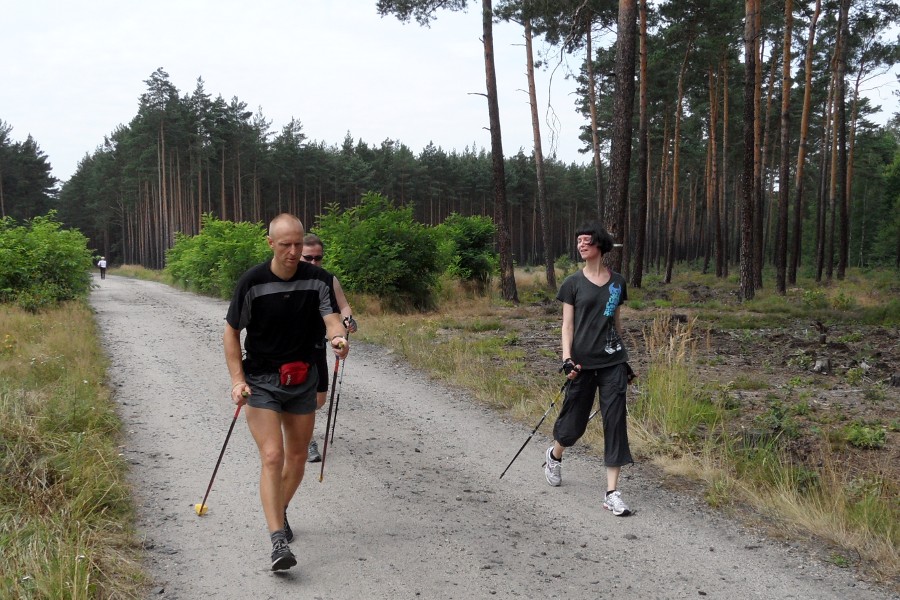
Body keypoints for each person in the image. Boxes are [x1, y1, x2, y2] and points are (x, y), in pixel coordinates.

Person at [223, 214, 350, 571]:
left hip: (302, 377)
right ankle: (278, 540)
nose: (294, 252)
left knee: (297, 459)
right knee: (273, 455)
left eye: (298, 244)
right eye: (286, 245)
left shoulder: (319, 280)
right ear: (270, 244)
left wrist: (338, 338)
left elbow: (331, 319)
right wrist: (237, 379)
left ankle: (279, 508)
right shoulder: (253, 282)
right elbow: (232, 332)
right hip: (261, 380)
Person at [544, 221, 634, 516]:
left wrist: (625, 360)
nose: (581, 244)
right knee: (573, 426)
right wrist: (566, 359)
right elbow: (567, 326)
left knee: (615, 422)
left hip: (613, 363)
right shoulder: (572, 283)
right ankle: (555, 455)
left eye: (586, 240)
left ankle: (612, 492)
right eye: (578, 240)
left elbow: (616, 324)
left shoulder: (618, 283)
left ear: (600, 245)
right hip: (581, 364)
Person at [299, 233, 358, 463]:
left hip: (317, 346)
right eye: (309, 258)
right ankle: (306, 441)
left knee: (318, 400)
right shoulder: (289, 278)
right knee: (301, 398)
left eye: (318, 258)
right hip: (292, 349)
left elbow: (343, 306)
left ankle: (297, 428)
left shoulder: (328, 279)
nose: (314, 262)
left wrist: (348, 321)